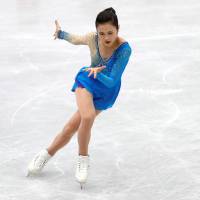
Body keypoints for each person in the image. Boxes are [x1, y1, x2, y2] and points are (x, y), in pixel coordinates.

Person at [27, 7, 132, 189]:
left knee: (70, 128)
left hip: (107, 90)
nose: (106, 37)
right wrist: (60, 34)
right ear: (96, 31)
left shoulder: (124, 49)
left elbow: (112, 80)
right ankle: (83, 159)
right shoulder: (93, 38)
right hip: (87, 80)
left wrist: (98, 73)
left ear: (118, 29)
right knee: (88, 116)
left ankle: (45, 154)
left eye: (110, 33)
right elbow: (76, 39)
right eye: (101, 33)